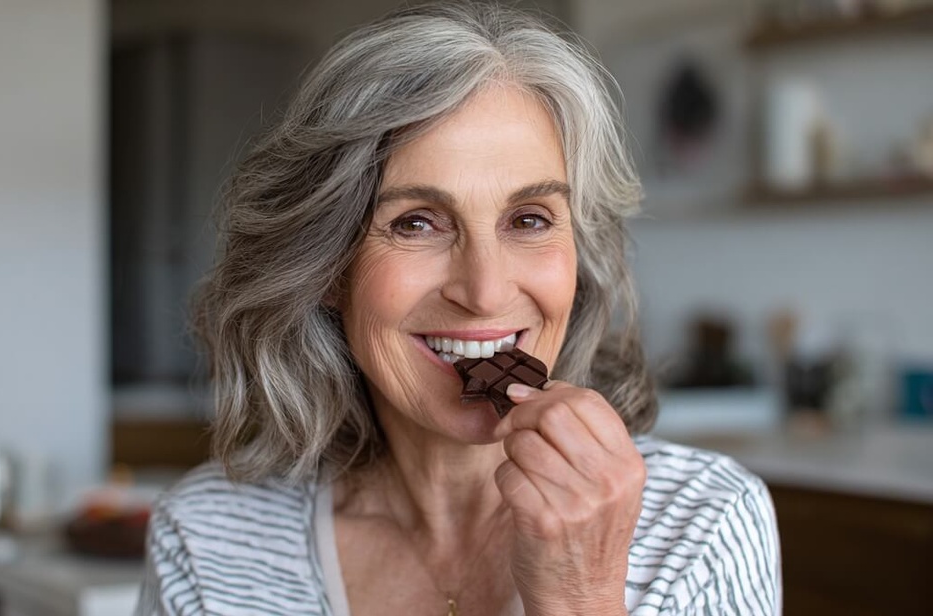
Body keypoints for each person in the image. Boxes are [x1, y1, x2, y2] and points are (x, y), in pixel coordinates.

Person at [135, 2, 781, 615]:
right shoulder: (206, 540)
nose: (485, 290)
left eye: (529, 219)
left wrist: (580, 596)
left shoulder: (704, 526)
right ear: (329, 267)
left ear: (578, 258)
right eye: (417, 223)